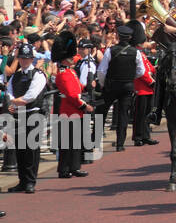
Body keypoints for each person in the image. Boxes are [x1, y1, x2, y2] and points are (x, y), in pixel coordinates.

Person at [97, 22, 146, 152]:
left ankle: (95, 142)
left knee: (101, 112)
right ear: (130, 37)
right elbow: (141, 71)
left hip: (111, 85)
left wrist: (103, 84)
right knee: (123, 114)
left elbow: (102, 71)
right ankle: (120, 144)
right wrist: (130, 77)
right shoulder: (136, 52)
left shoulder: (110, 51)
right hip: (127, 85)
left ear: (118, 36)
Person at [5, 43, 47, 193]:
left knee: (31, 149)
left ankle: (30, 181)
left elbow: (31, 96)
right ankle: (22, 181)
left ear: (32, 59)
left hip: (33, 114)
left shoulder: (38, 74)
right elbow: (9, 91)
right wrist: (14, 102)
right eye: (22, 58)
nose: (24, 61)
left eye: (27, 58)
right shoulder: (16, 75)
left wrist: (15, 102)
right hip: (19, 114)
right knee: (20, 150)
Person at [52, 33, 89, 178]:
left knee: (75, 141)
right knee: (67, 142)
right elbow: (72, 95)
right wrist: (84, 106)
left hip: (74, 111)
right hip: (69, 111)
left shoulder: (70, 71)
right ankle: (64, 169)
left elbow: (78, 88)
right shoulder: (64, 74)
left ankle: (73, 167)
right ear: (66, 59)